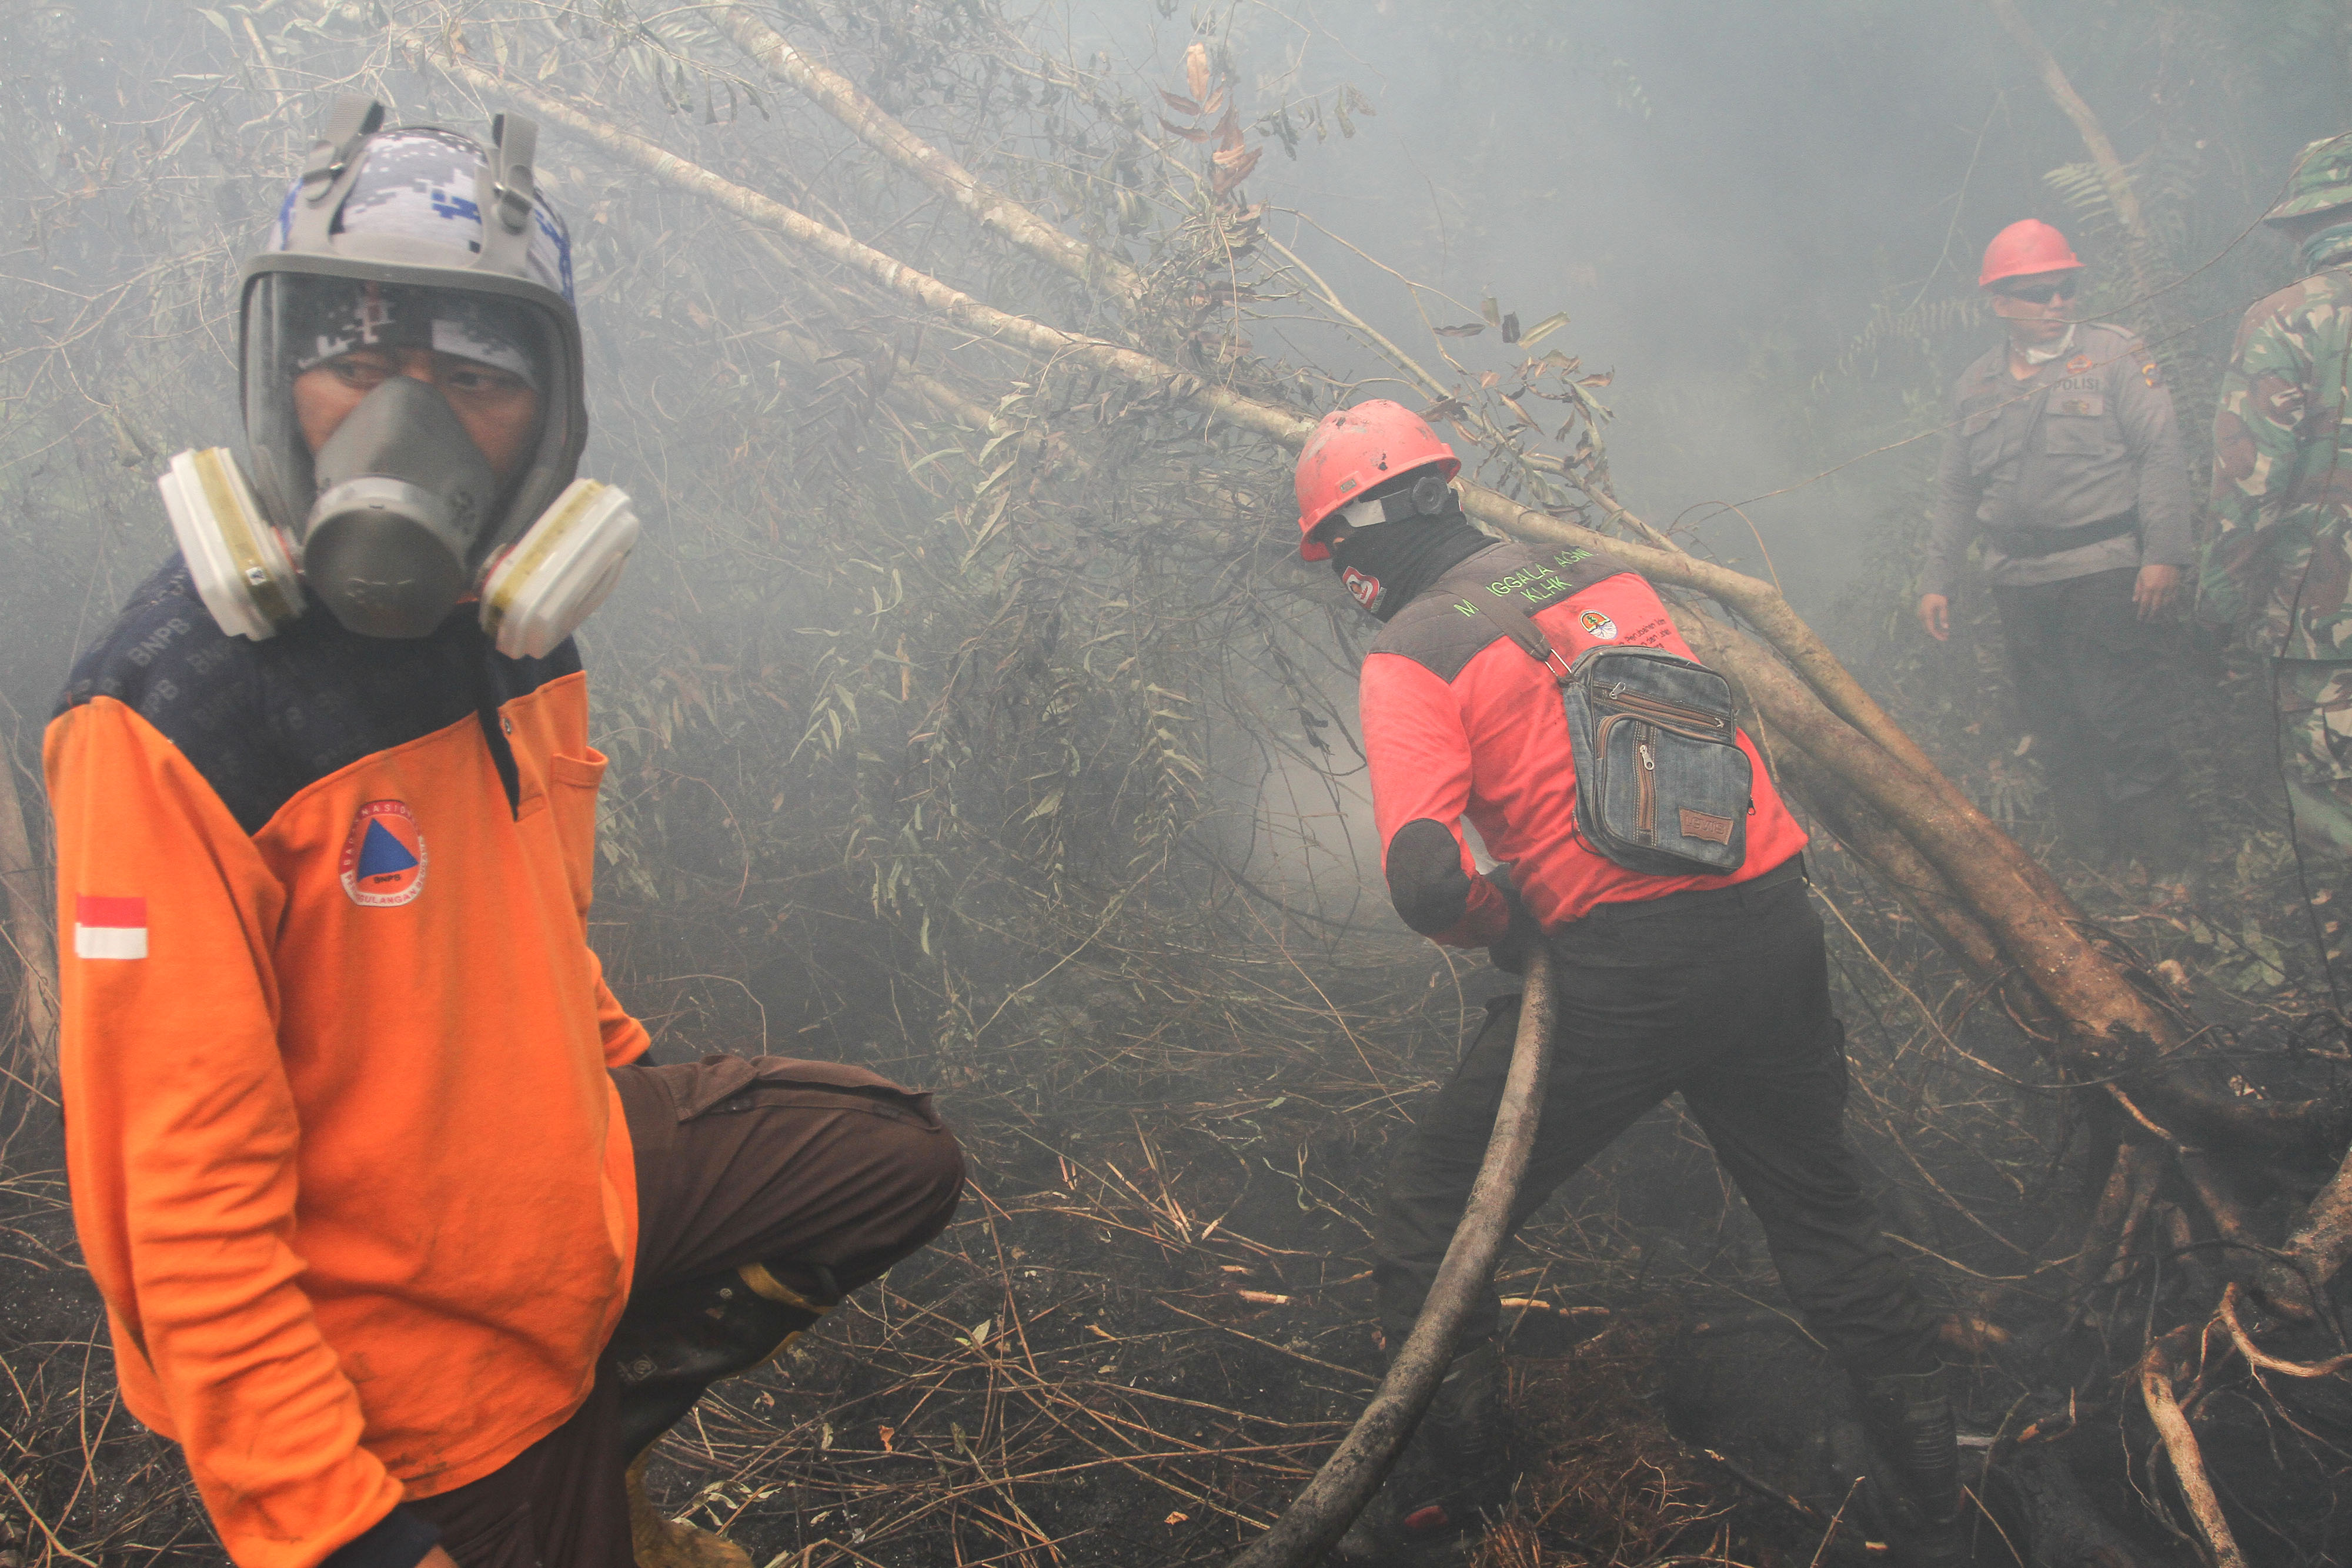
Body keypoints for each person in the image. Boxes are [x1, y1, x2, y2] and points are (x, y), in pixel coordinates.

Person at [46, 101, 964, 1568]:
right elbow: (183, 1217)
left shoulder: (521, 628)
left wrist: (620, 1107)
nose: (399, 426)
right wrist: (339, 1534)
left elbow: (524, 919)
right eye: (351, 365)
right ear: (272, 378)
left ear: (551, 409)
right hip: (410, 1373)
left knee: (886, 1161)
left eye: (471, 377)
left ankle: (595, 1421)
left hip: (545, 1191)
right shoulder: (170, 718)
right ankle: (535, 1482)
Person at [1292, 402, 1962, 1567]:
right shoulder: (1592, 568)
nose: (1345, 582)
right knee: (1817, 1204)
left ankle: (1462, 1502)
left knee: (1430, 1217)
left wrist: (1503, 926)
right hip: (1770, 918)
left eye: (1338, 553)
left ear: (1363, 536)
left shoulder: (1408, 651)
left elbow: (1419, 874)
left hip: (1628, 973)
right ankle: (1944, 1477)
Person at [1918, 219, 2196, 871]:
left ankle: (2168, 868)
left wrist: (2164, 553)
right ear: (2001, 303)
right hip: (2017, 579)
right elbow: (1956, 490)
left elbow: (2161, 453)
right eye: (2040, 294)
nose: (2057, 305)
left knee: (2120, 717)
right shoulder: (1976, 385)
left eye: (2066, 290)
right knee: (2054, 725)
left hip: (2102, 570)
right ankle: (2091, 867)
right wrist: (1938, 578)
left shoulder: (2115, 355)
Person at [2206, 132, 2352, 977]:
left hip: (2323, 638)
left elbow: (2248, 488)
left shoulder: (2284, 320)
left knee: (2335, 836)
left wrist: (2221, 606)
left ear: (2304, 227)